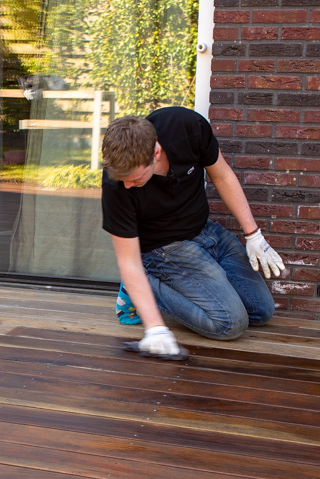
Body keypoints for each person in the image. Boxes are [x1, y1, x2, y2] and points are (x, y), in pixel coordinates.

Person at [101, 107, 284, 358]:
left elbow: (222, 176)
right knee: (229, 324)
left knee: (262, 311)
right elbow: (127, 260)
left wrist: (254, 235)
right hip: (164, 250)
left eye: (135, 178)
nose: (127, 185)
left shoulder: (187, 127)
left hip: (207, 232)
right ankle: (143, 283)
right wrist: (156, 329)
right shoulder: (116, 184)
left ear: (155, 153)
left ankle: (158, 284)